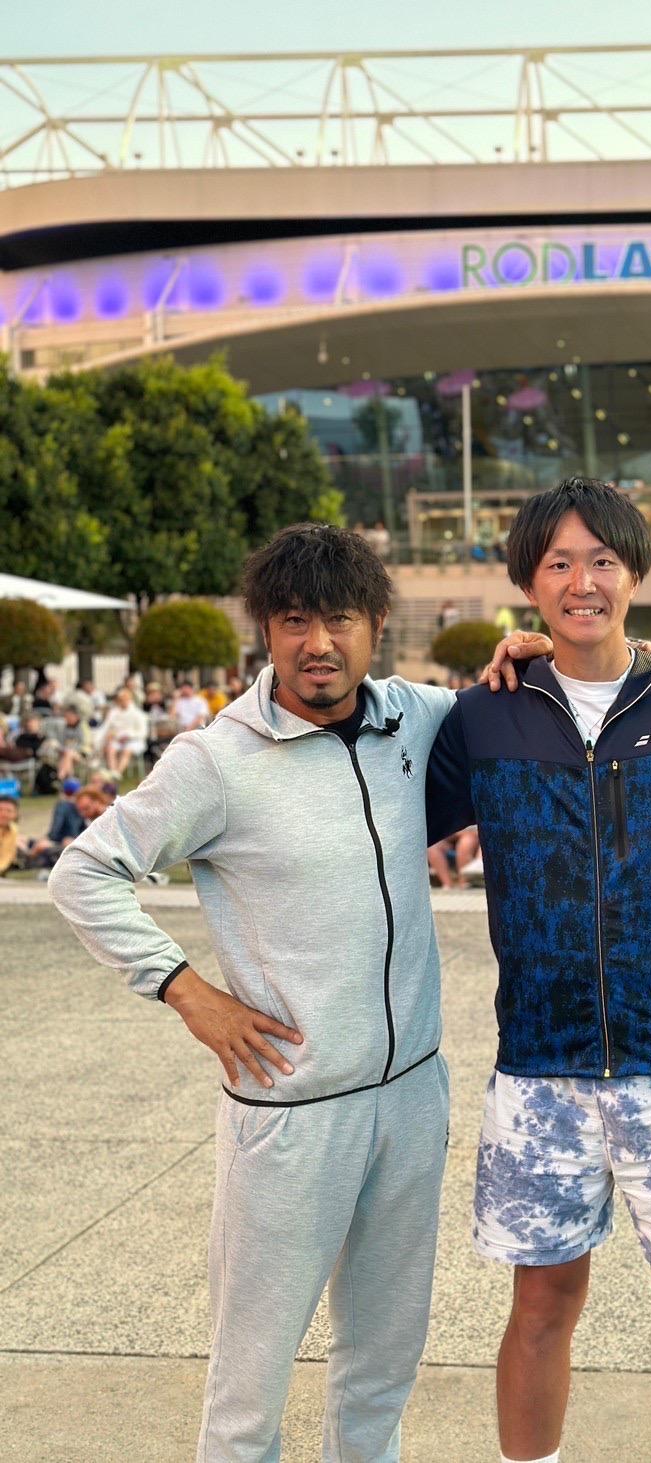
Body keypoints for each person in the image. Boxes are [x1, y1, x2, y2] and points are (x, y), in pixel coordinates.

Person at [47, 522, 603, 1463]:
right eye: (294, 620)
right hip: (291, 1114)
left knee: (382, 1365)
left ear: (375, 625)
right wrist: (187, 991)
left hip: (410, 1095)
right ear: (265, 630)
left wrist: (534, 651)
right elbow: (83, 872)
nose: (318, 643)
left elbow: (524, 698)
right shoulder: (216, 761)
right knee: (250, 1384)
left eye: (339, 618)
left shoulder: (415, 717)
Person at [426, 478, 651, 1463]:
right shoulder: (483, 717)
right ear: (528, 583)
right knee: (539, 1305)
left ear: (634, 573)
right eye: (557, 563)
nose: (581, 581)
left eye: (601, 560)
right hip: (538, 1071)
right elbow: (373, 802)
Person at [98, 688, 149, 775]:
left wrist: (129, 736)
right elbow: (107, 727)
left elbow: (143, 733)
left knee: (127, 751)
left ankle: (118, 773)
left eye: (125, 699)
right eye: (120, 700)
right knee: (110, 749)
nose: (122, 702)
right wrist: (110, 735)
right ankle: (113, 772)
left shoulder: (138, 714)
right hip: (117, 739)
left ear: (130, 700)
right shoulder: (113, 713)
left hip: (134, 740)